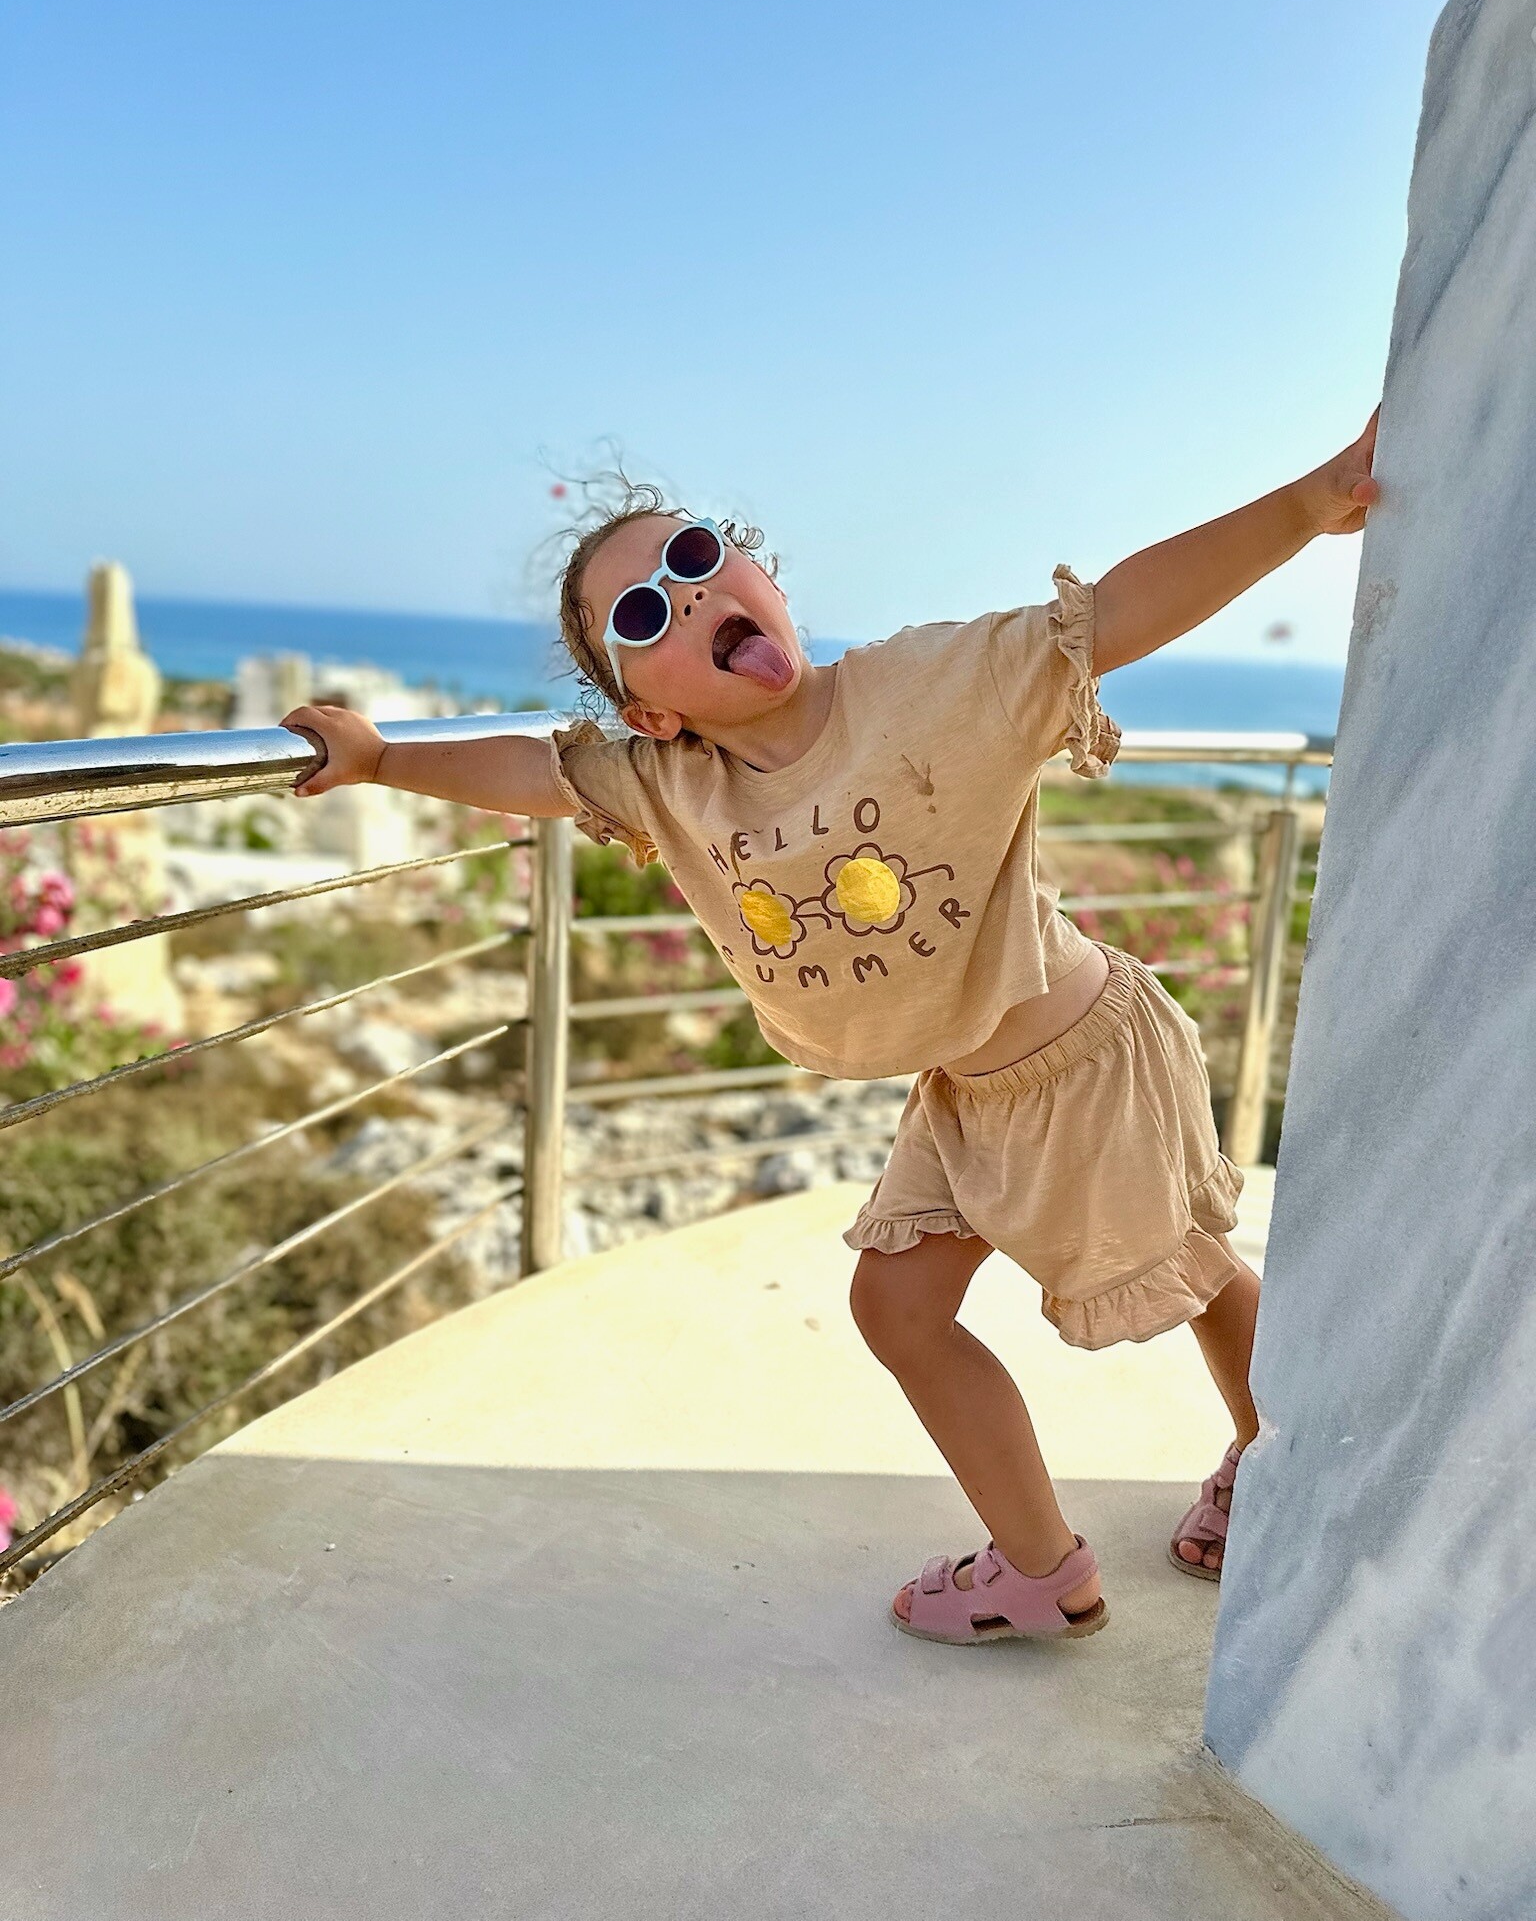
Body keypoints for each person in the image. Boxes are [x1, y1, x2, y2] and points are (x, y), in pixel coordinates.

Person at [283, 415, 1378, 1646]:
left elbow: (1113, 615)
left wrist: (1312, 501)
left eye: (696, 556)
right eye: (642, 615)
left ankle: (1272, 1461)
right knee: (896, 1310)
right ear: (649, 713)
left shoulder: (928, 688)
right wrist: (380, 760)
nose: (686, 595)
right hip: (964, 1091)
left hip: (1084, 1060)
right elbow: (534, 770)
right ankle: (1042, 1569)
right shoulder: (671, 785)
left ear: (764, 576)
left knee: (1195, 1270)